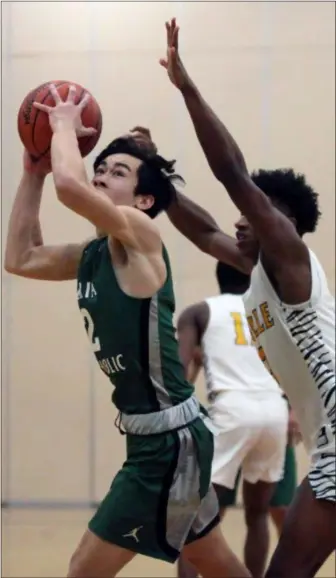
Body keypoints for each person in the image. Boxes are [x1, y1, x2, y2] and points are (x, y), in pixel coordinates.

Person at [5, 84, 251, 578]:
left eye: (117, 172)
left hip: (167, 446)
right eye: (100, 166)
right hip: (162, 439)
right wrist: (34, 172)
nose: (100, 174)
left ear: (142, 201)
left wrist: (61, 127)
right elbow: (20, 258)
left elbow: (70, 188)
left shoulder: (142, 235)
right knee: (211, 558)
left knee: (82, 570)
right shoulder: (92, 254)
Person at [159, 18, 336, 578]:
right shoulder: (261, 271)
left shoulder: (289, 257)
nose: (239, 222)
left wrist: (188, 89)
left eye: (252, 212)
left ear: (280, 221)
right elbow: (203, 230)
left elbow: (232, 173)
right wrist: (155, 176)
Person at [176, 261, 288, 578]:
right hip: (274, 410)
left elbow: (180, 368)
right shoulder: (269, 313)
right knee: (257, 514)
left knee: (194, 517)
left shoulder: (198, 312)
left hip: (232, 409)